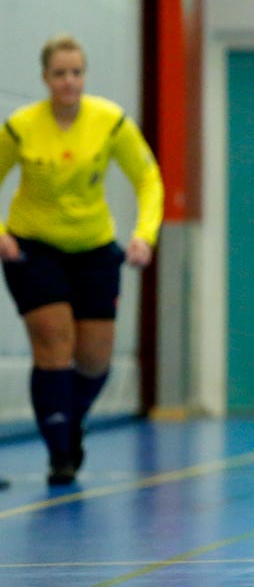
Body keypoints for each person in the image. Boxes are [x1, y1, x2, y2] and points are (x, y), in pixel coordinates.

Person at [0, 35, 163, 486]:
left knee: (93, 359)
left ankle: (68, 420)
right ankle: (60, 455)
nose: (69, 82)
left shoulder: (109, 122)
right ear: (45, 78)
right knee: (53, 345)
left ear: (84, 76)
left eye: (76, 73)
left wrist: (144, 235)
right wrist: (1, 236)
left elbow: (148, 179)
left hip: (93, 248)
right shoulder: (21, 127)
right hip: (33, 248)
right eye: (59, 74)